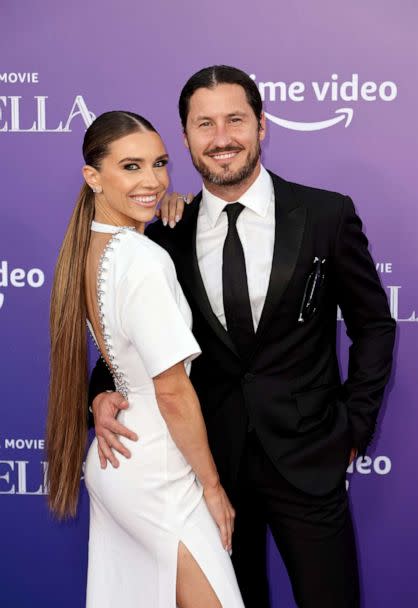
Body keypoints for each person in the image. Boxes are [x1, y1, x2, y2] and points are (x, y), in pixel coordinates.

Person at [89, 67, 396, 608]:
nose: (221, 137)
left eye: (235, 119)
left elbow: (373, 324)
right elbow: (137, 337)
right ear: (184, 138)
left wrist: (356, 424)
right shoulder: (163, 231)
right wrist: (99, 392)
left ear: (262, 125)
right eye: (204, 124)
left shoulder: (326, 213)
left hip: (308, 458)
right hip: (207, 469)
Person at [46, 110, 245, 608]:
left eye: (159, 164)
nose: (153, 181)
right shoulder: (142, 259)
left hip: (122, 465)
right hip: (160, 476)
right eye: (131, 167)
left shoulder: (90, 249)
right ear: (94, 177)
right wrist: (213, 486)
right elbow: (173, 391)